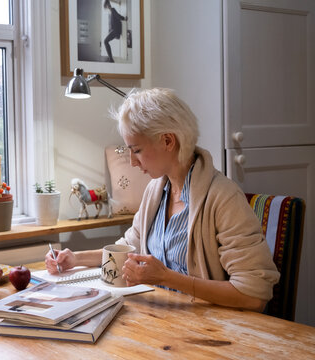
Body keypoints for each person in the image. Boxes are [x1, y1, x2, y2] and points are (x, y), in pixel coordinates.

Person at [46, 88, 280, 312]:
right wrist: (75, 259)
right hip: (162, 320)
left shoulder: (224, 198)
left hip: (211, 331)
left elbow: (254, 296)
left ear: (168, 141)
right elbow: (130, 248)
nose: (132, 161)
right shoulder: (155, 192)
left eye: (136, 150)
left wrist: (168, 278)